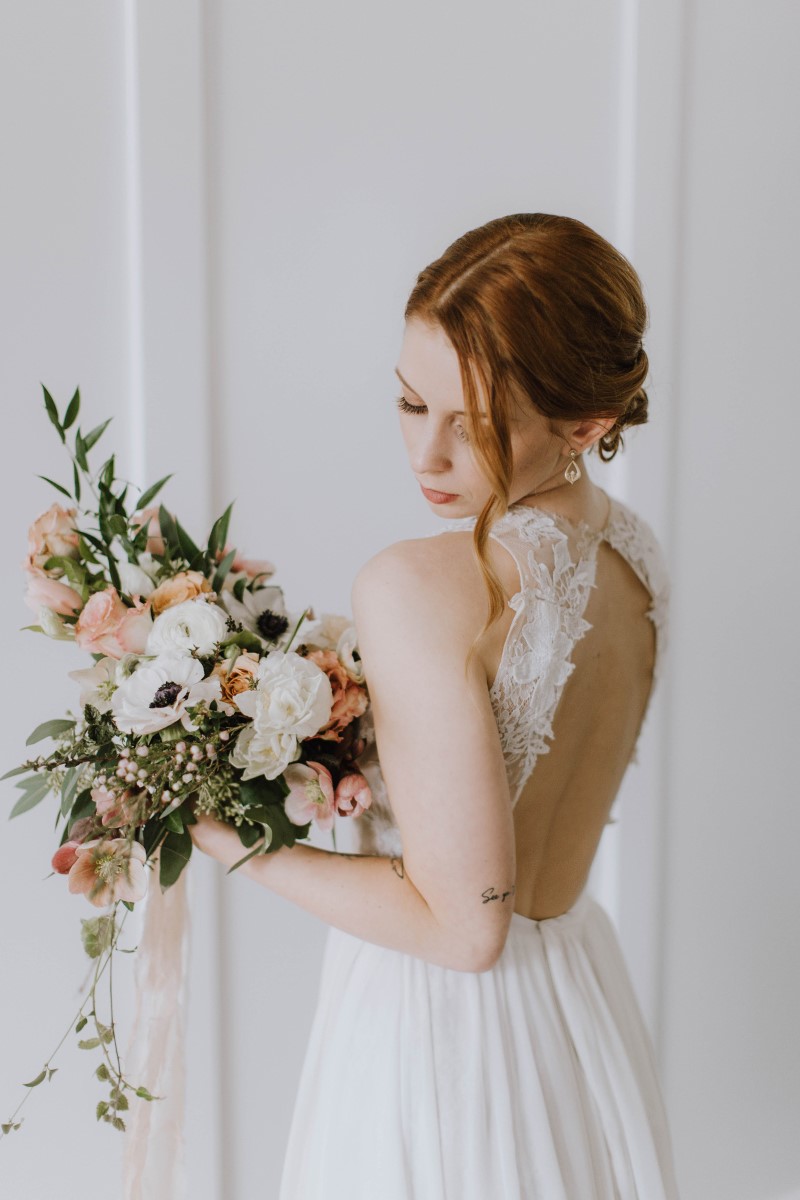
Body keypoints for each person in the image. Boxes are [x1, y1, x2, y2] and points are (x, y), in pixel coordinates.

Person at [189, 212, 681, 1198]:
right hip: (573, 1005)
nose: (428, 455)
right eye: (412, 403)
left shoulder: (417, 586)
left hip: (443, 1034)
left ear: (587, 426)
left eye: (477, 423)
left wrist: (226, 839)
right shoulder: (634, 553)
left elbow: (463, 930)